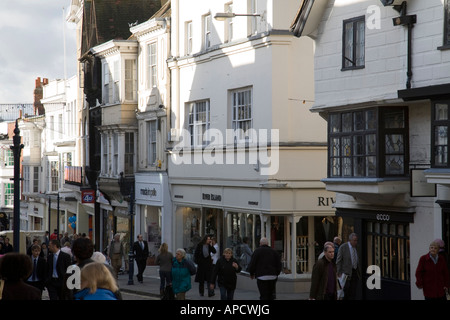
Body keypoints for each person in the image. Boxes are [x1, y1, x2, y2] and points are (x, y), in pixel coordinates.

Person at [336, 233, 360, 300]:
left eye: (356, 240)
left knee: (353, 292)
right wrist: (339, 272)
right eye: (354, 240)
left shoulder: (356, 247)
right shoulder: (343, 247)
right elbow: (339, 260)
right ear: (350, 240)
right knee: (346, 291)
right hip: (346, 273)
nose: (356, 242)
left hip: (355, 272)